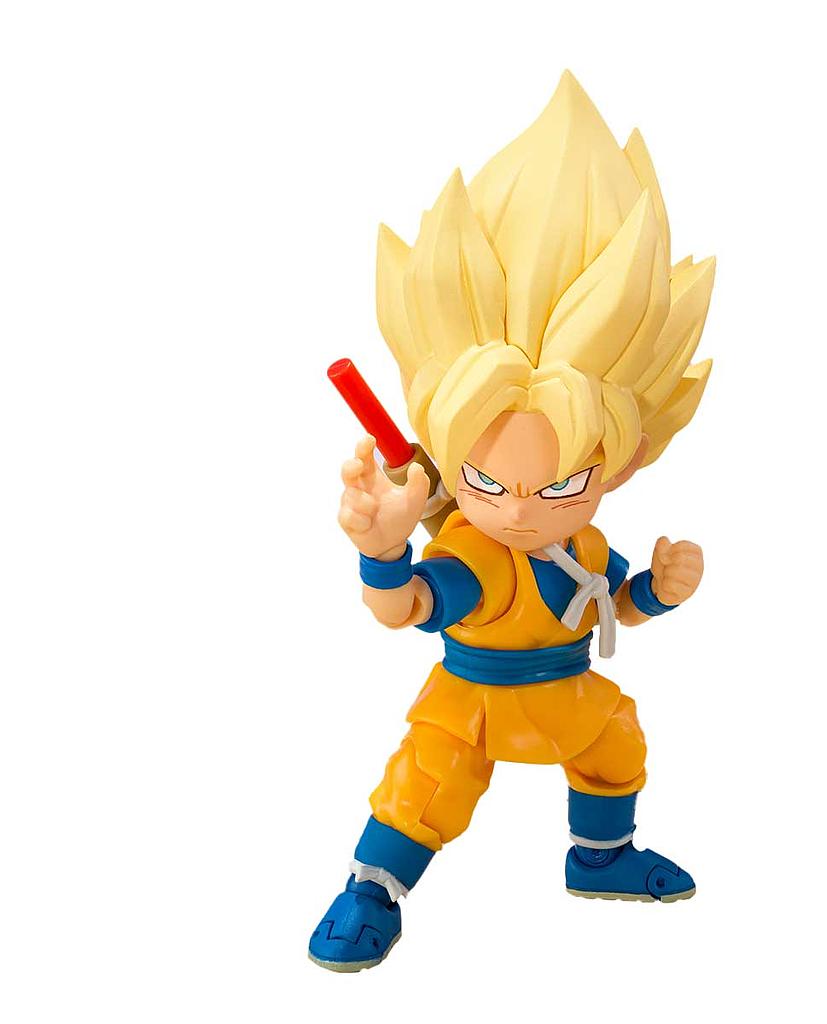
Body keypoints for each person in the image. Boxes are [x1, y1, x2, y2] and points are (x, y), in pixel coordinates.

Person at [309, 71, 716, 972]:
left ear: (625, 463)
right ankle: (371, 891)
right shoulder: (477, 556)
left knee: (616, 741)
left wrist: (659, 590)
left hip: (568, 690)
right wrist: (383, 552)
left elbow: (610, 603)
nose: (521, 510)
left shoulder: (584, 543)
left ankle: (601, 857)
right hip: (473, 704)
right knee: (426, 788)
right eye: (487, 483)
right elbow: (410, 606)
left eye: (562, 485)